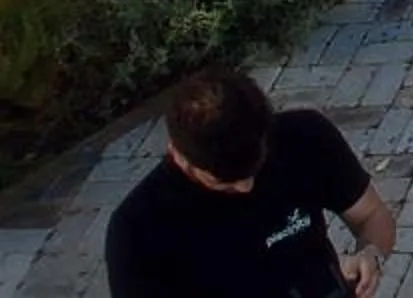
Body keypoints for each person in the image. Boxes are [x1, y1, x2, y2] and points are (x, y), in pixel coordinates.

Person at [106, 68, 397, 298]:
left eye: (255, 172)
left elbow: (372, 215)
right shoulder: (137, 230)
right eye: (226, 185)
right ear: (179, 157)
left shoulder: (305, 136)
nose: (246, 188)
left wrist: (370, 253)